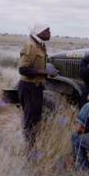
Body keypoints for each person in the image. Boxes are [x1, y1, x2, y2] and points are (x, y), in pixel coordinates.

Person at [18, 22, 59, 154]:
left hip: (36, 87)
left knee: (35, 119)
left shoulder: (39, 45)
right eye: (47, 31)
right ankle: (29, 150)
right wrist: (45, 72)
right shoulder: (31, 46)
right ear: (39, 32)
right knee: (30, 120)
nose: (50, 33)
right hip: (29, 87)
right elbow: (23, 69)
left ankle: (32, 147)